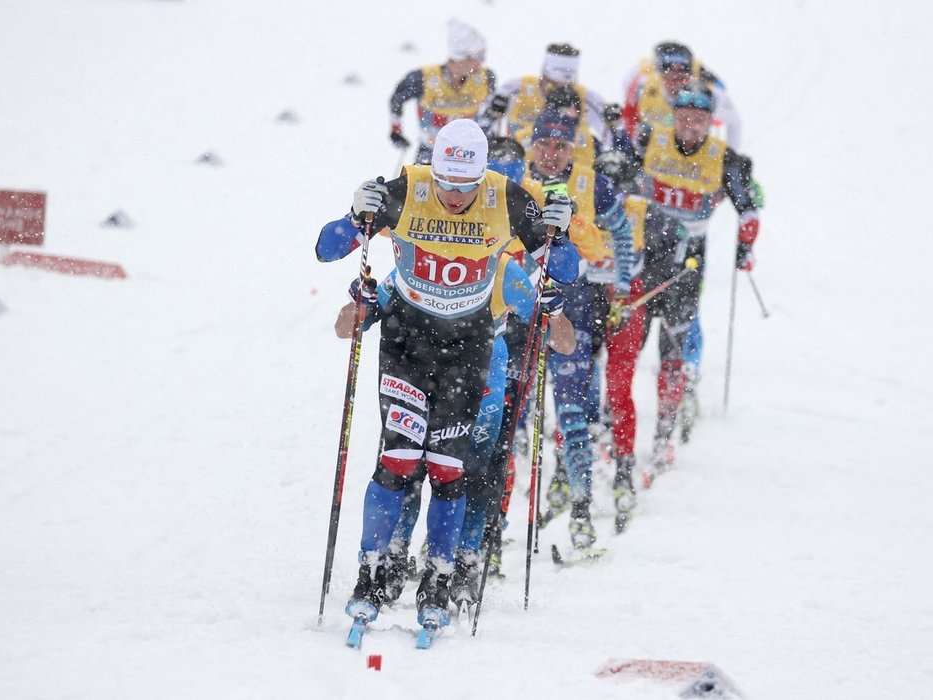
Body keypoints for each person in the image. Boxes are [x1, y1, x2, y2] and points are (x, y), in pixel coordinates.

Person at [315, 119, 579, 630]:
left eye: (466, 186)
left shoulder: (506, 199)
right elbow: (327, 249)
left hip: (469, 348)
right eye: (446, 184)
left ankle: (438, 574)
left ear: (482, 176)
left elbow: (562, 270)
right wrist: (355, 217)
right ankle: (371, 571)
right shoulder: (406, 190)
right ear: (431, 171)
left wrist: (558, 233)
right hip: (407, 343)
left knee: (448, 470)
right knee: (397, 459)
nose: (455, 197)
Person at [519, 108, 644, 541]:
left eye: (560, 146)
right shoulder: (515, 181)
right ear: (532, 145)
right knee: (511, 412)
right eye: (544, 145)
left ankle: (582, 511)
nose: (551, 154)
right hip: (521, 309)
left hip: (573, 310)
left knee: (572, 410)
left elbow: (623, 234)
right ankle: (492, 531)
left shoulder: (593, 183)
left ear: (573, 147)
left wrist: (624, 289)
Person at [629, 85, 762, 476]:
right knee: (628, 347)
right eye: (684, 117)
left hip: (686, 265)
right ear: (673, 116)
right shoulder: (649, 141)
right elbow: (612, 178)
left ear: (711, 122)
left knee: (672, 349)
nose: (690, 126)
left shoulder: (723, 158)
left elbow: (749, 208)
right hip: (642, 257)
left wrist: (745, 247)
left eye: (700, 119)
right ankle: (609, 432)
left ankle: (664, 436)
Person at [477, 43, 613, 168]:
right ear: (543, 75)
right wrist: (491, 114)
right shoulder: (517, 88)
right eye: (551, 84)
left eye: (565, 87)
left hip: (571, 173)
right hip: (520, 164)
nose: (556, 92)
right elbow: (479, 129)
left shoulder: (586, 99)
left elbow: (610, 141)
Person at [388, 20, 496, 165]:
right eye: (479, 57)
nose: (481, 63)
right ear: (461, 58)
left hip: (468, 153)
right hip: (430, 150)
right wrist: (396, 130)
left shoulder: (486, 78)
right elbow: (397, 99)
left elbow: (491, 111)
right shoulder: (423, 78)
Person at [622, 41, 744, 150]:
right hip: (653, 152)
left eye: (683, 69)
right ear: (658, 71)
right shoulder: (642, 85)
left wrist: (728, 157)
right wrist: (636, 142)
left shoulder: (708, 95)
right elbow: (629, 113)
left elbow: (734, 123)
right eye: (668, 68)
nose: (675, 75)